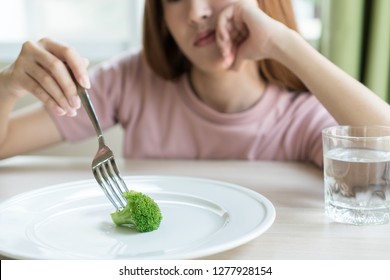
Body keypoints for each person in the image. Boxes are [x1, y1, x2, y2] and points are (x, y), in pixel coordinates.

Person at [0, 0, 389, 169]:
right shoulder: (129, 81)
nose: (195, 12)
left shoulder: (304, 116)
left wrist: (283, 43)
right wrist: (8, 85)